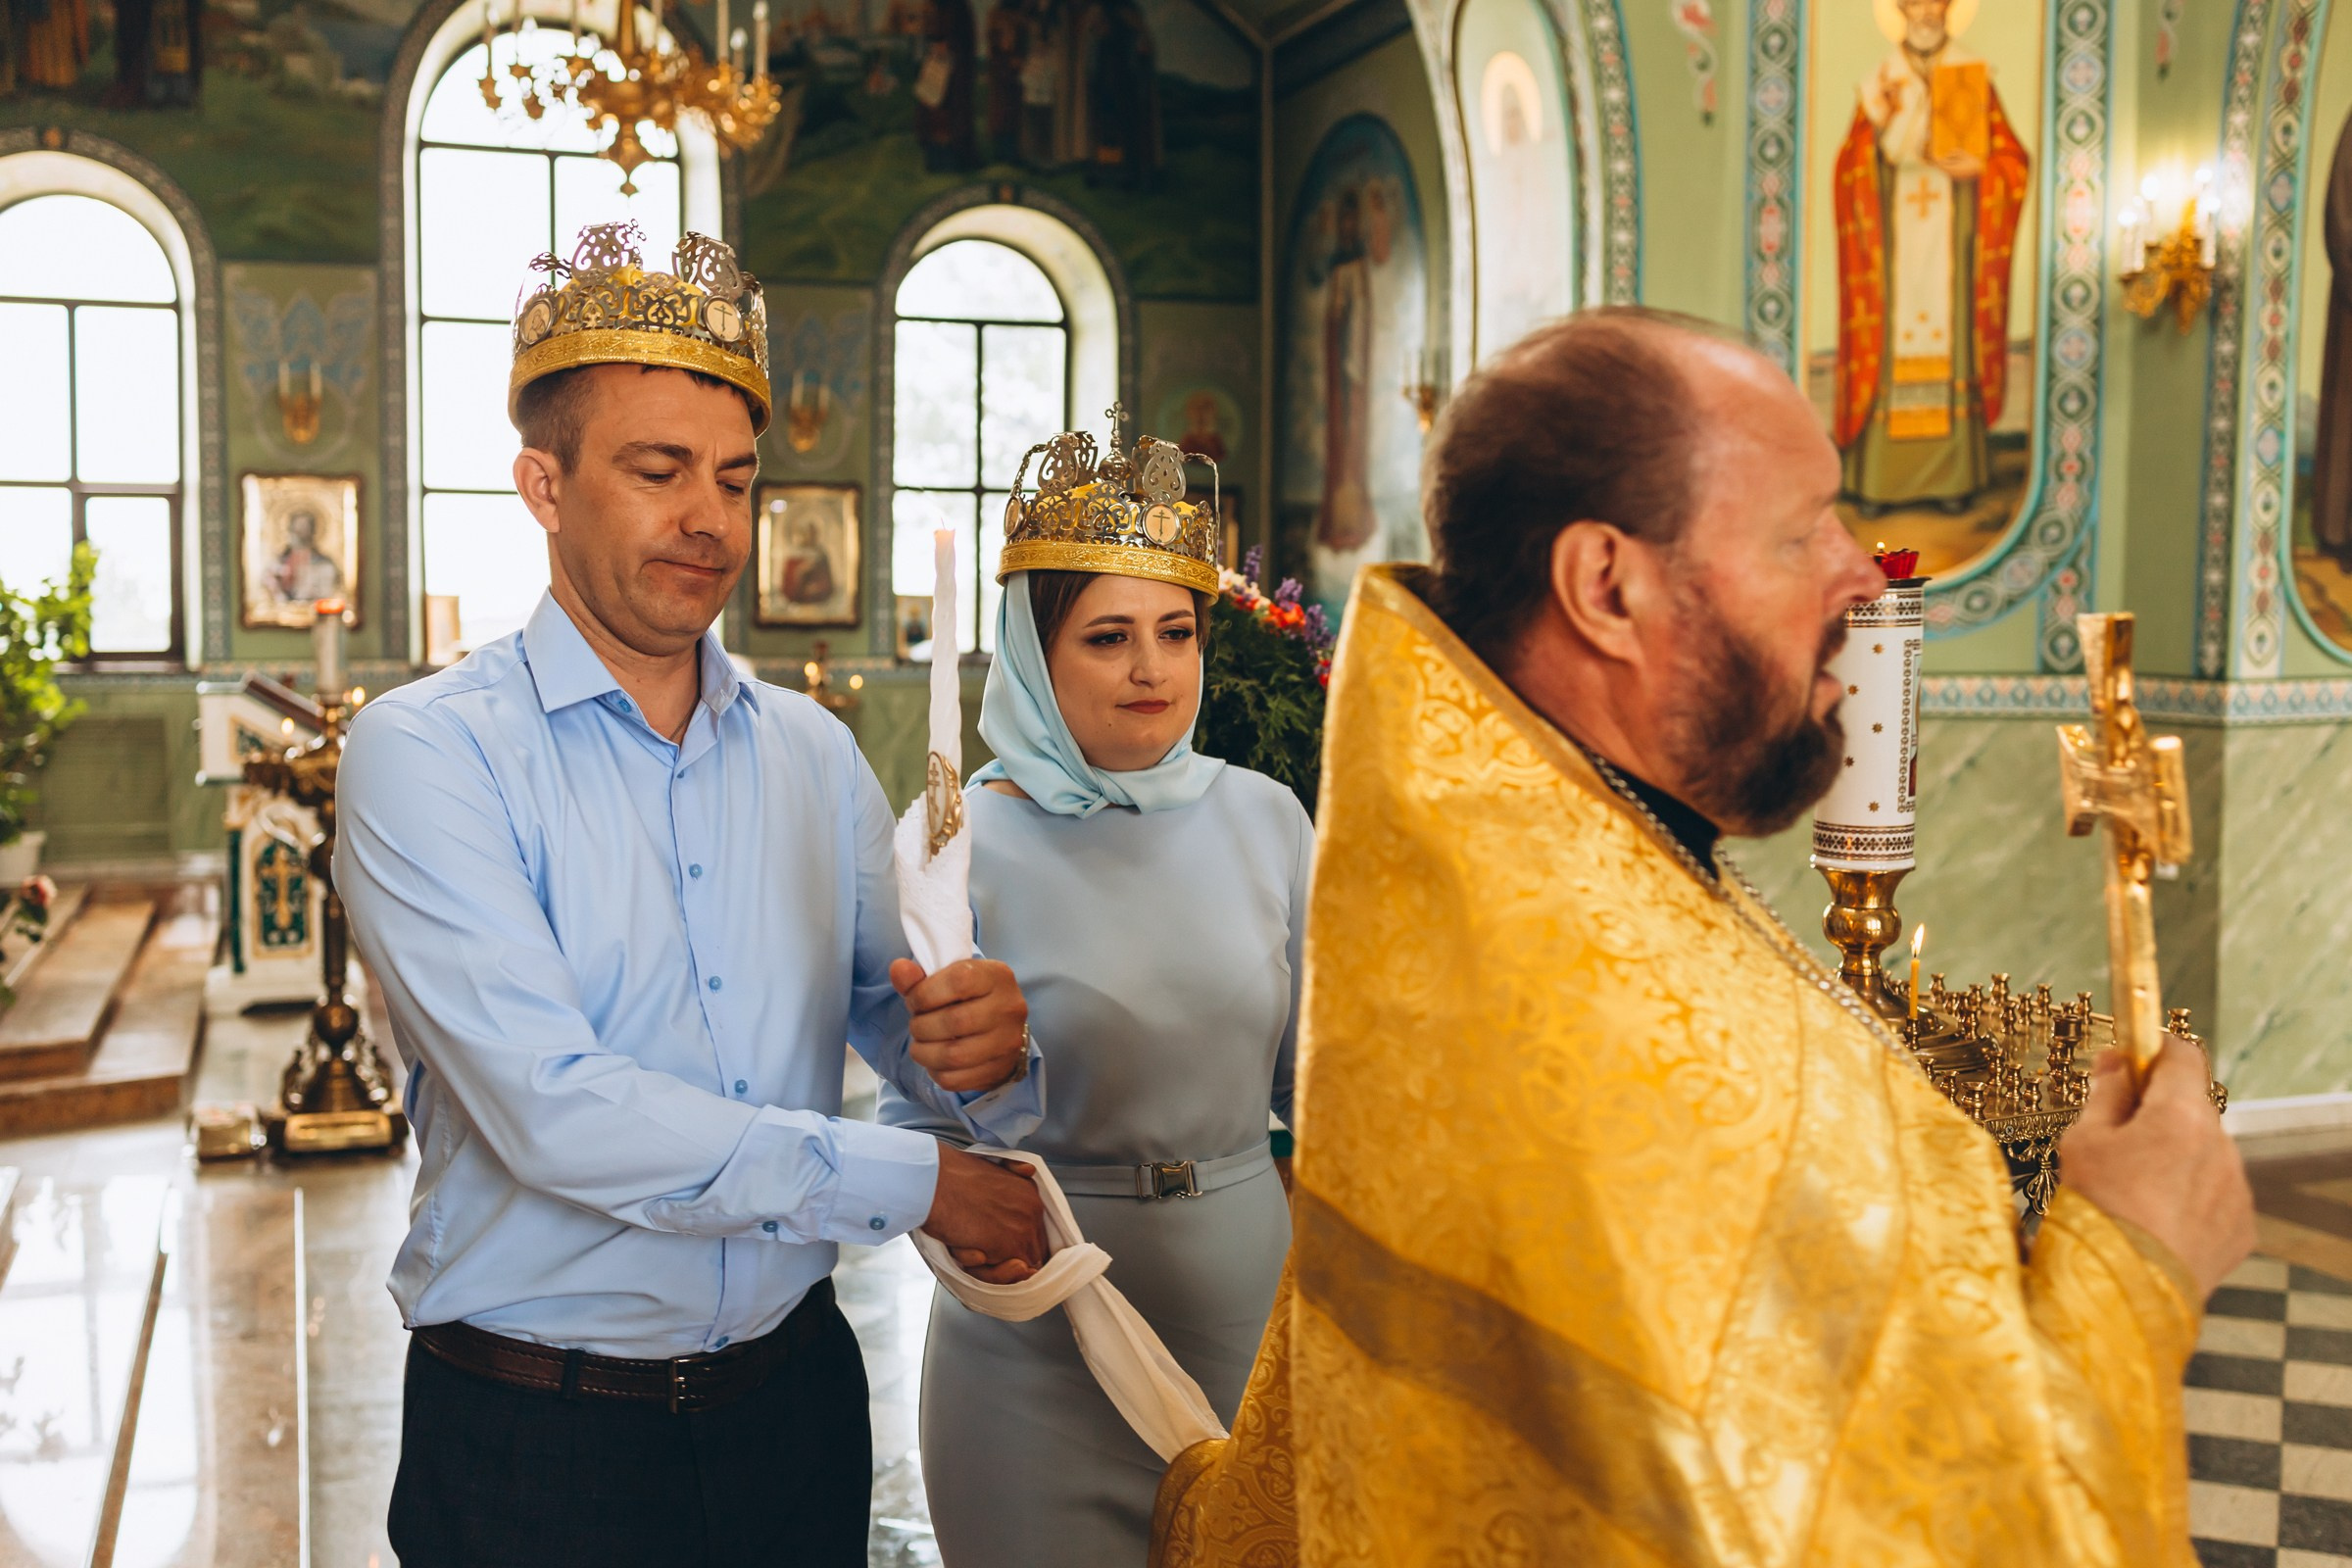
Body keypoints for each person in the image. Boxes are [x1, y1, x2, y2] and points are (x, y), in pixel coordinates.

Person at [1153, 307, 2255, 1566]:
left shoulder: (1522, 877)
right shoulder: (1602, 1024)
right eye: (1803, 531)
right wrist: (2137, 1261)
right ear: (1607, 586)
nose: (1863, 574)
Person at [334, 224, 1053, 1568]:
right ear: (542, 486)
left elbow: (900, 1036)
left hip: (793, 1408)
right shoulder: (428, 752)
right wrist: (915, 1179)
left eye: (734, 477)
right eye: (657, 472)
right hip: (539, 1432)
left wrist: (981, 1050)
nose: (709, 519)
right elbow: (557, 1111)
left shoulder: (811, 753)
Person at [888, 425, 1307, 1567]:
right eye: (1108, 637)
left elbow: (1319, 1090)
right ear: (1035, 653)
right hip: (1038, 1335)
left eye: (1175, 632)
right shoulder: (957, 841)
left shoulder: (1268, 818)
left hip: (1247, 1321)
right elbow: (910, 1123)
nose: (1152, 670)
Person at [1831, 0, 2028, 514]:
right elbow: (1848, 168)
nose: (1925, 12)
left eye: (1934, 3)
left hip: (1954, 240)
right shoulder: (1881, 82)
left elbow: (2013, 161)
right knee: (1892, 344)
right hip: (1892, 246)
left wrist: (1981, 169)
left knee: (1951, 342)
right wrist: (1875, 140)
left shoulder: (1972, 76)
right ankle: (1879, 482)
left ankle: (1953, 478)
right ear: (1900, 10)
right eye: (1914, 3)